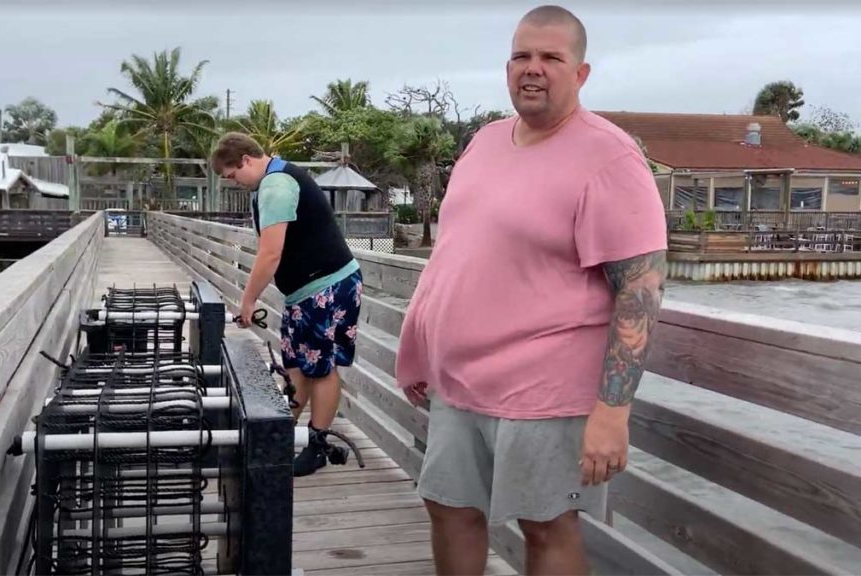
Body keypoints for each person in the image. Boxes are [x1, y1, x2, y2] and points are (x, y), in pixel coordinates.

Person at [394, 5, 668, 575]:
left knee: (546, 525)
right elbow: (456, 254)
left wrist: (612, 412)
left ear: (581, 73)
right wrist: (418, 350)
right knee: (446, 506)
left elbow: (640, 290)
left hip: (545, 387)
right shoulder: (485, 141)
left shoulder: (611, 157)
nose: (533, 69)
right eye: (522, 55)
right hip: (459, 381)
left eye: (551, 57)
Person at [210, 132, 364, 477]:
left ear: (246, 160)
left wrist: (248, 301)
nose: (234, 182)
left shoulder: (276, 186)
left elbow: (270, 252)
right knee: (296, 364)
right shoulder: (274, 178)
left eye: (232, 175)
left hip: (327, 286)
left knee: (321, 367)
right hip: (304, 291)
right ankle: (277, 435)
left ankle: (317, 445)